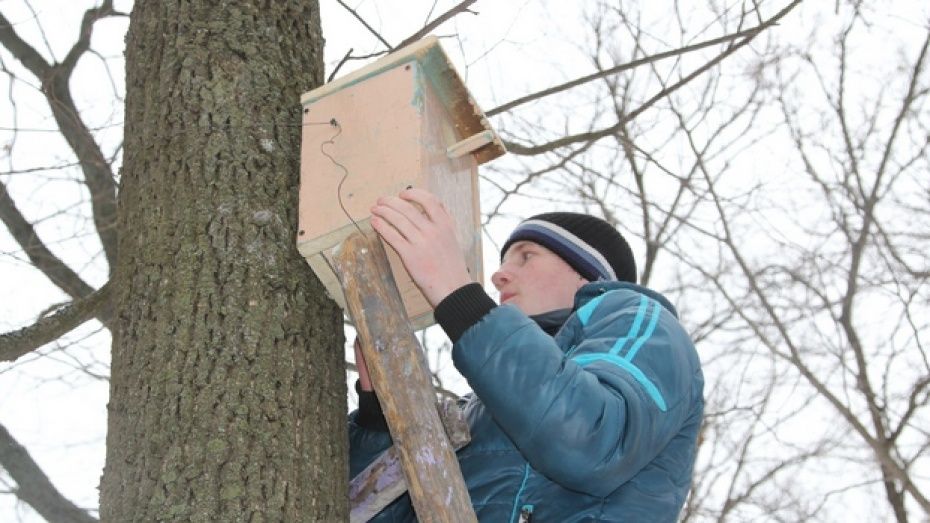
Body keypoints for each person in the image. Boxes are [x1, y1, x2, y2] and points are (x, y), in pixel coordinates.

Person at [349, 188, 704, 522]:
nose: (500, 275)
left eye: (526, 256)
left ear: (588, 277)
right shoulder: (473, 410)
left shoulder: (640, 321)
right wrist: (379, 418)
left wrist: (459, 296)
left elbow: (590, 439)